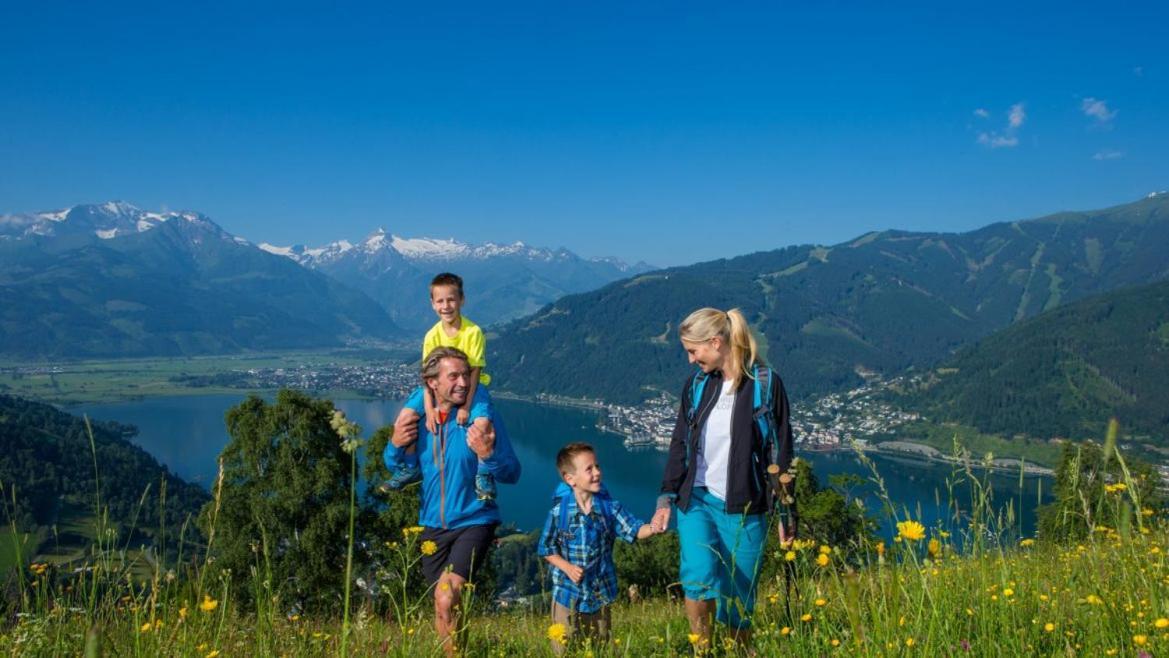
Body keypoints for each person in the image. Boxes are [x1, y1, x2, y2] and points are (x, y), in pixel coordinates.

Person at [651, 307, 795, 649]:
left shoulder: (765, 384)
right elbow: (680, 443)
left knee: (737, 599)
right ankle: (702, 651)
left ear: (716, 343)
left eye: (693, 350)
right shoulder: (698, 385)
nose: (690, 360)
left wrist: (787, 513)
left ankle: (740, 650)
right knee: (698, 580)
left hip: (744, 506)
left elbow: (779, 451)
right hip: (697, 501)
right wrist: (665, 498)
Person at [384, 346, 522, 656]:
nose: (463, 383)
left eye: (466, 375)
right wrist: (394, 444)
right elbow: (399, 468)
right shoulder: (422, 421)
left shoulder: (481, 419)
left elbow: (512, 472)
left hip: (475, 519)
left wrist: (488, 454)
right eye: (453, 376)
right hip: (431, 525)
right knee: (443, 605)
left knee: (447, 595)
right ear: (432, 383)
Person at [537, 442, 662, 654]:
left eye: (597, 466)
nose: (597, 472)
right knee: (563, 649)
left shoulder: (610, 509)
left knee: (599, 648)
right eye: (589, 469)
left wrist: (653, 527)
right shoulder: (559, 513)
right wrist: (567, 567)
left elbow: (634, 529)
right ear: (570, 479)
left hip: (600, 594)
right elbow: (546, 548)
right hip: (567, 595)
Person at [386, 272, 497, 501]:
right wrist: (429, 408)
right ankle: (410, 466)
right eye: (440, 301)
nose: (446, 306)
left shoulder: (473, 332)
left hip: (472, 387)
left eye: (451, 299)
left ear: (462, 300)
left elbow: (474, 371)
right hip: (435, 388)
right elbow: (427, 376)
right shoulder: (431, 335)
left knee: (483, 423)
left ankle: (483, 473)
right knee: (404, 419)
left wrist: (466, 407)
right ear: (432, 304)